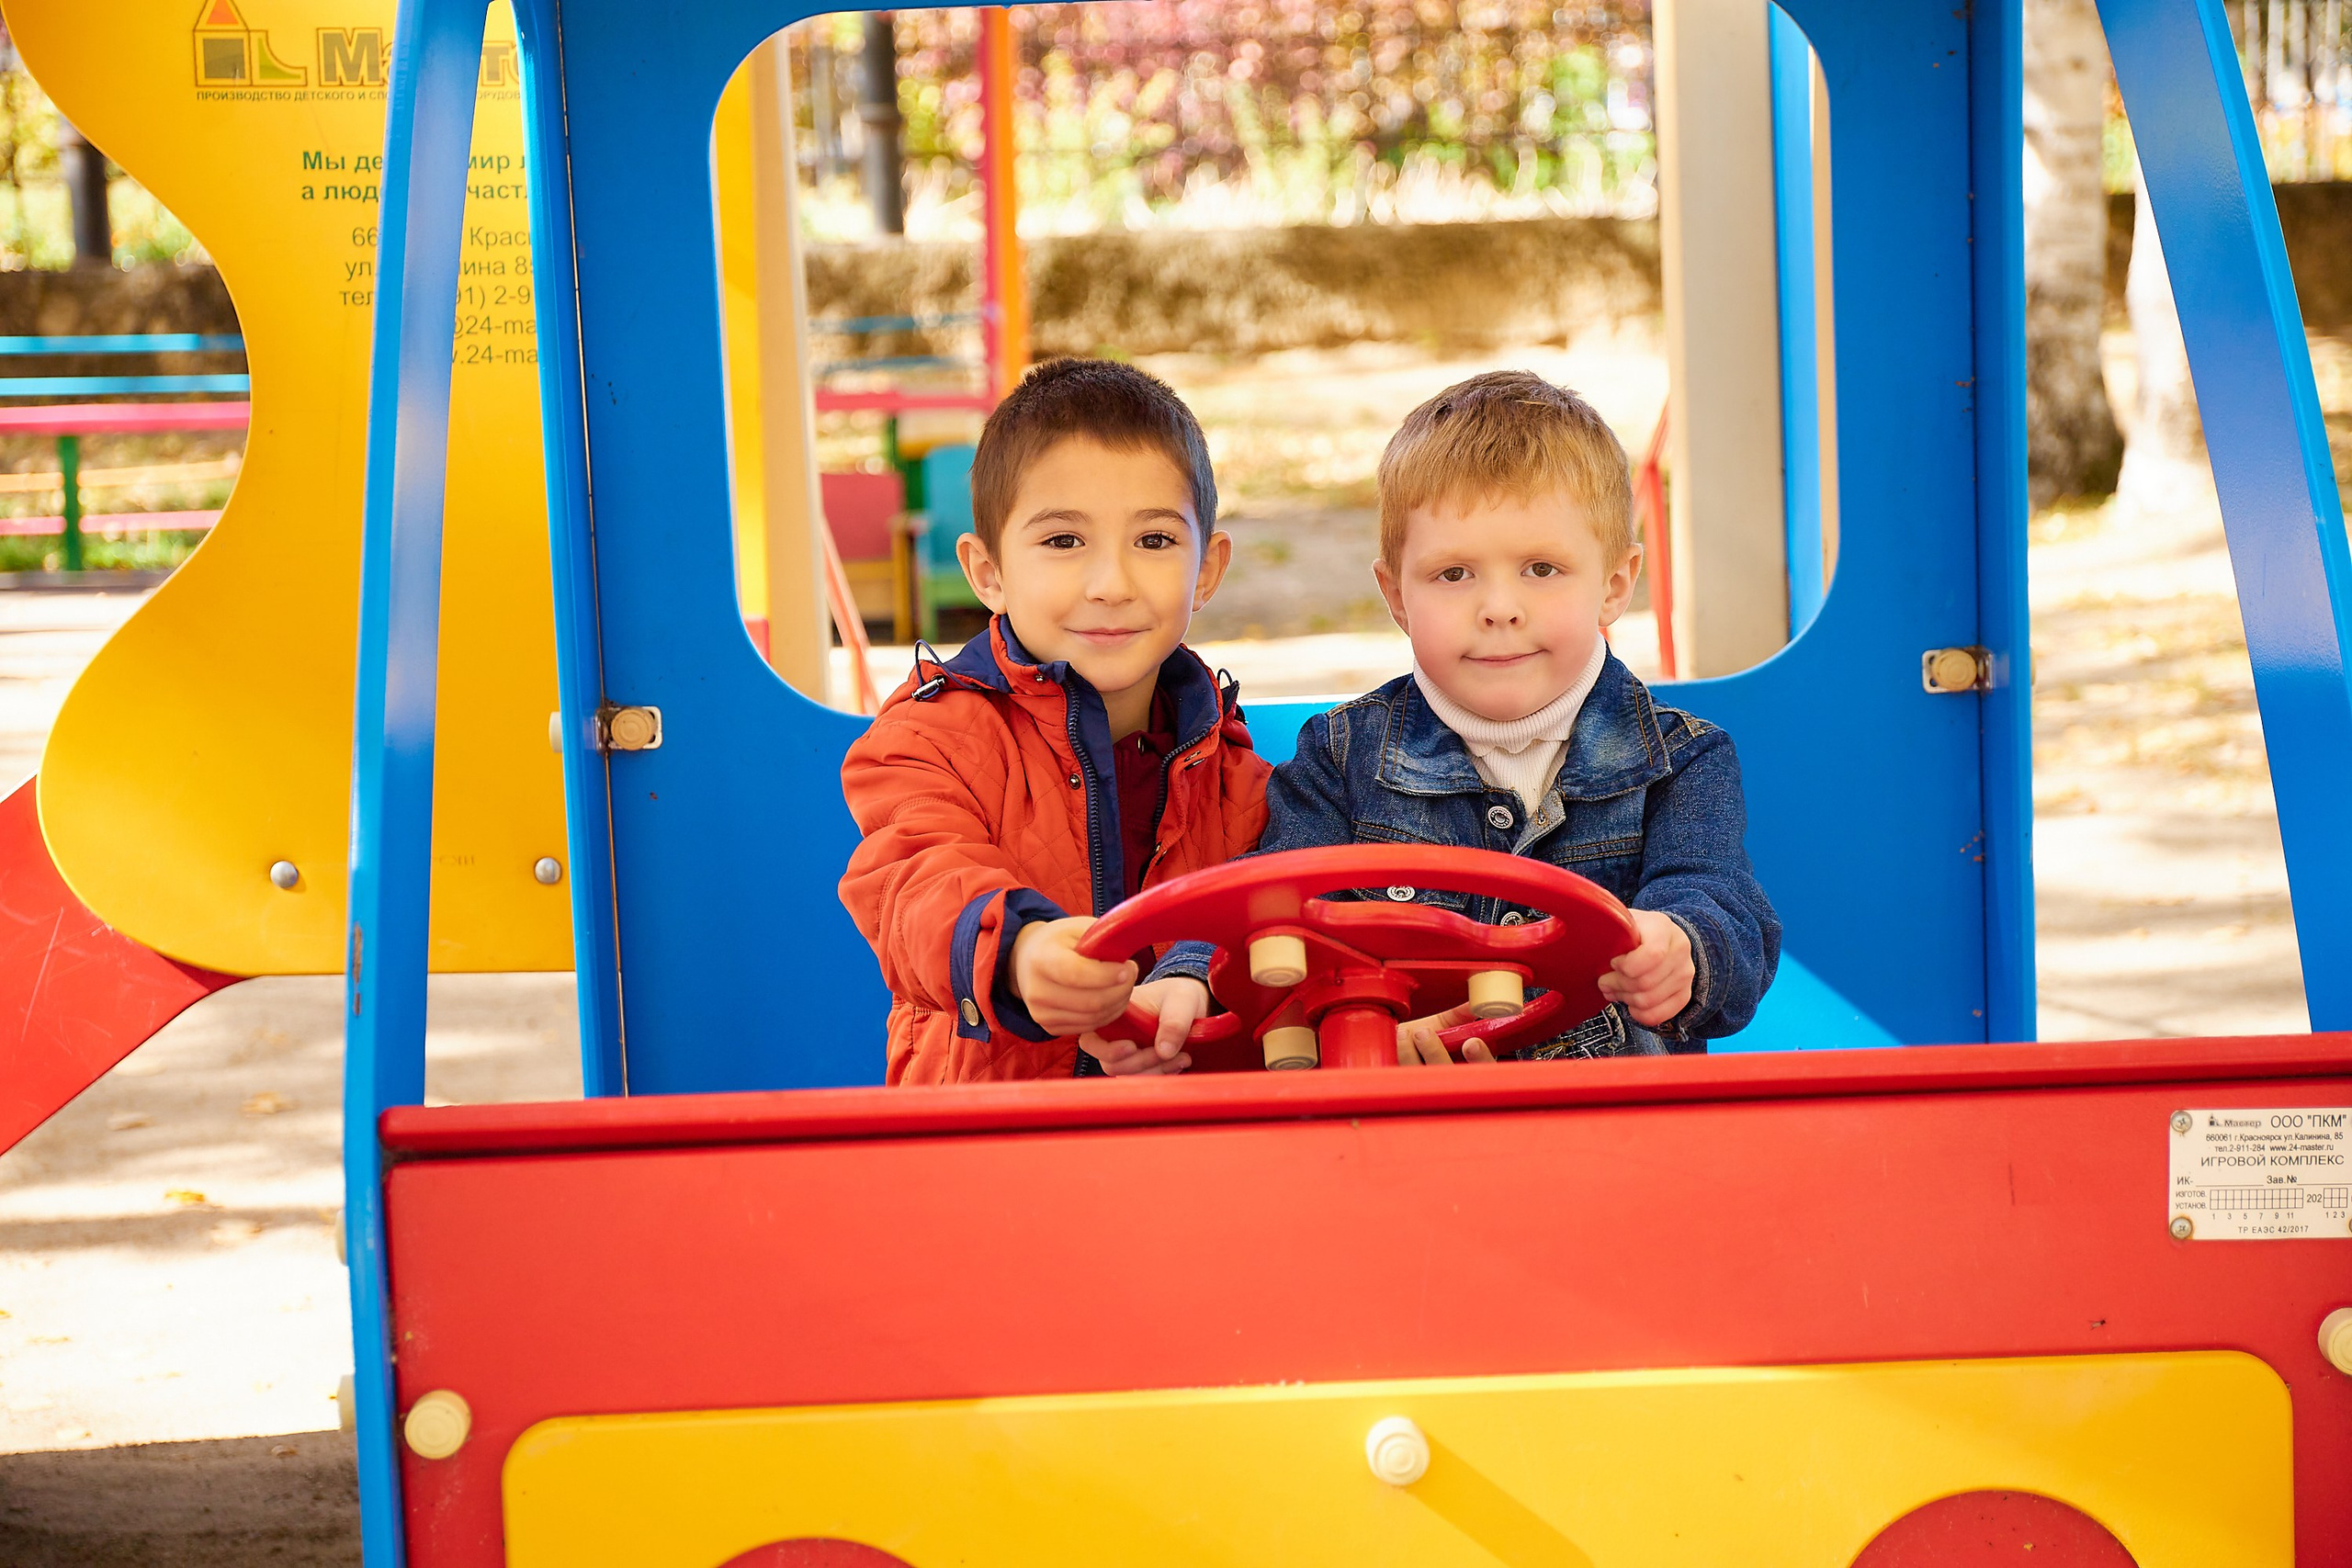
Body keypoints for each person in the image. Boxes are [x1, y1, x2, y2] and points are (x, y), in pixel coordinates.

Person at [1150, 370, 1779, 1061]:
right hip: (1402, 1122)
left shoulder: (1682, 760)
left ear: (1615, 584)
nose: (1499, 607)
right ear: (1396, 596)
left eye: (1541, 568)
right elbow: (1268, 898)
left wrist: (1681, 945)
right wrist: (1187, 977)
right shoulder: (1343, 756)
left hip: (1607, 1128)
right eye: (1454, 574)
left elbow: (1723, 908)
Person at [839, 358, 1271, 1084]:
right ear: (988, 573)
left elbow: (1269, 927)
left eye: (1155, 541)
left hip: (1189, 1149)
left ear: (1207, 569)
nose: (1111, 585)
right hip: (990, 1150)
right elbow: (911, 877)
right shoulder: (925, 741)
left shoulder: (1235, 772)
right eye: (1064, 541)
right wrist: (1017, 949)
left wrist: (1205, 981)